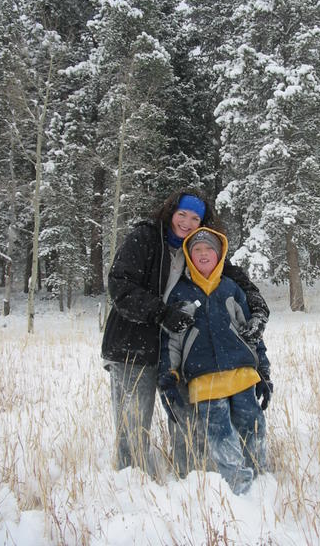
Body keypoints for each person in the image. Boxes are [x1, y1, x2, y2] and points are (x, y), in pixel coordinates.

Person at [101, 189, 269, 475]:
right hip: (133, 347)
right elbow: (120, 285)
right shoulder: (146, 238)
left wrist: (258, 308)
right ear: (170, 212)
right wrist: (162, 313)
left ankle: (191, 481)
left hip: (179, 352)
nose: (187, 222)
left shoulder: (197, 250)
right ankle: (131, 485)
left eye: (195, 218)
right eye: (182, 214)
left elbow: (235, 280)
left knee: (188, 422)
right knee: (132, 423)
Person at [158, 227, 273, 495]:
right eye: (196, 250)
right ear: (188, 255)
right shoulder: (180, 294)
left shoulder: (232, 288)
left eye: (208, 248)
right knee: (221, 436)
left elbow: (252, 334)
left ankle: (262, 484)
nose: (203, 254)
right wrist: (169, 373)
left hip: (242, 375)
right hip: (204, 380)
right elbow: (172, 340)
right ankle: (239, 489)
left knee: (253, 426)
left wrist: (263, 371)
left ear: (219, 253)